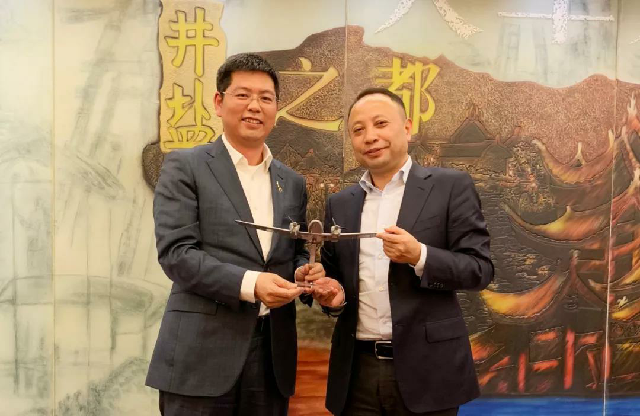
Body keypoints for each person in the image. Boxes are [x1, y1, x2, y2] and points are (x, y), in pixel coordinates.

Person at [146, 53, 323, 416]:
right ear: (219, 101)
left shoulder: (291, 182)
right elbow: (177, 254)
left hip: (272, 358)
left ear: (276, 109)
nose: (254, 106)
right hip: (201, 357)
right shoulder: (186, 166)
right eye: (243, 95)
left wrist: (304, 272)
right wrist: (252, 284)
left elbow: (291, 253)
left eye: (266, 98)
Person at [309, 87, 494, 415]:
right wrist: (333, 297)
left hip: (429, 370)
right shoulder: (340, 203)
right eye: (358, 130)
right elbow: (335, 277)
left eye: (381, 123)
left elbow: (479, 269)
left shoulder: (450, 186)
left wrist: (419, 255)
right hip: (356, 372)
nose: (370, 136)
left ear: (407, 128)